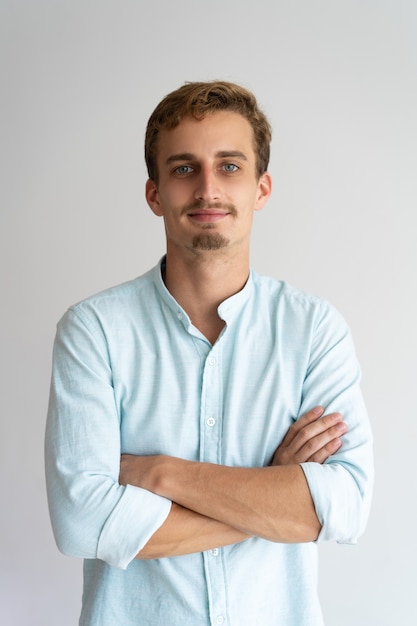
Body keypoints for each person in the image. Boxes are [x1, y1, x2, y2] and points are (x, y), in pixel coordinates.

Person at [45, 81, 373, 626]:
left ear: (261, 188)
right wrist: (272, 494)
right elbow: (82, 522)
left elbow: (346, 506)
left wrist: (161, 474)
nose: (206, 189)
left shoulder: (313, 329)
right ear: (154, 194)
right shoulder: (94, 331)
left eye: (229, 166)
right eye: (183, 168)